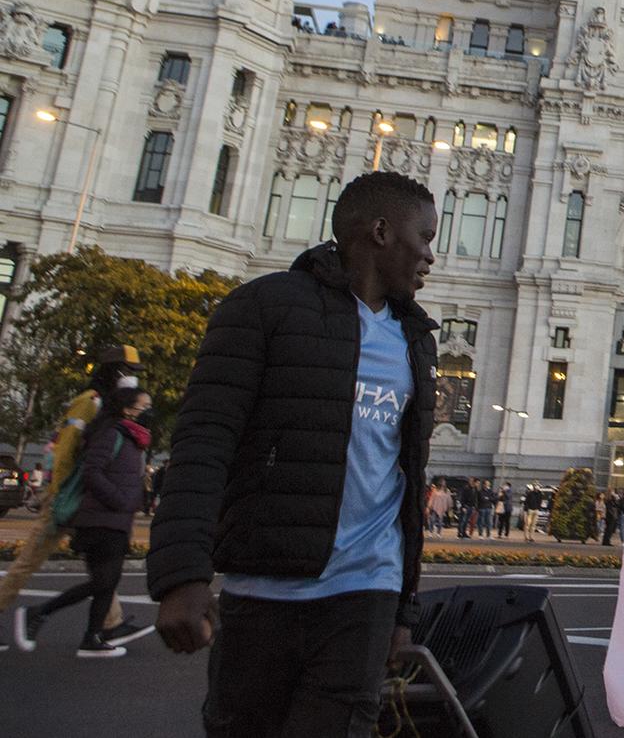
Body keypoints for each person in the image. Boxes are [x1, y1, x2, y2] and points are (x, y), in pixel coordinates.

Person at [147, 171, 440, 736]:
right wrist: (181, 576)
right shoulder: (264, 308)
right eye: (423, 237)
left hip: (364, 594)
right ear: (381, 232)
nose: (430, 255)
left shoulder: (416, 341)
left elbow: (405, 479)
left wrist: (403, 612)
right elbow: (204, 443)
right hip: (262, 589)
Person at [0, 344, 141, 632]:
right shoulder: (90, 402)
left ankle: (109, 622)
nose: (133, 379)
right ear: (113, 372)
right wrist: (55, 494)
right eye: (128, 372)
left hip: (85, 499)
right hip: (67, 497)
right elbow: (64, 450)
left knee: (102, 564)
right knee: (29, 562)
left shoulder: (113, 408)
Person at [13, 387, 154, 657]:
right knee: (104, 581)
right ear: (127, 409)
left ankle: (92, 638)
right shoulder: (112, 434)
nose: (147, 412)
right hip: (99, 519)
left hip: (114, 520)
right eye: (143, 406)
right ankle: (40, 612)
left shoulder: (130, 437)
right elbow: (92, 471)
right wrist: (120, 500)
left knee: (107, 581)